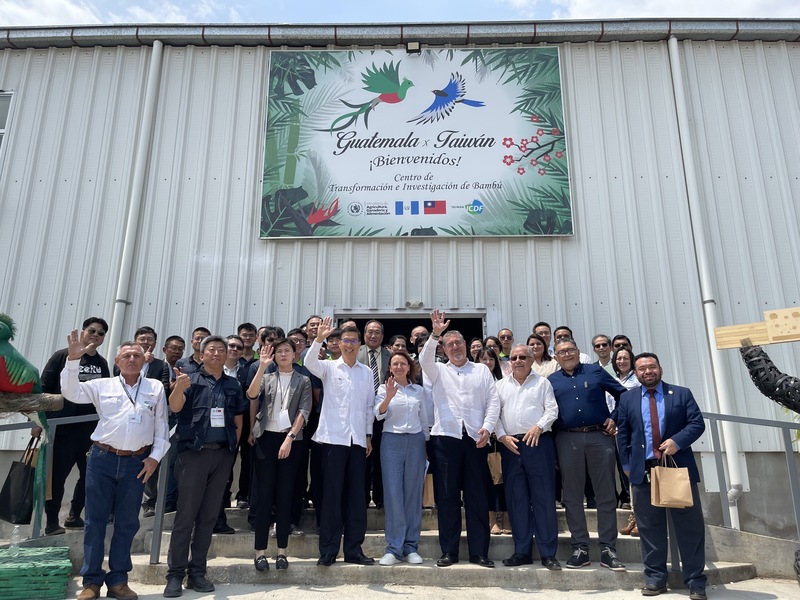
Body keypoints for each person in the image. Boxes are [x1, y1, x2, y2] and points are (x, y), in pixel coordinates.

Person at [61, 333, 169, 600]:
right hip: (102, 459)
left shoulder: (154, 387)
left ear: (144, 361)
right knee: (95, 522)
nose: (132, 359)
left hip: (137, 463)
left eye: (137, 356)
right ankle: (92, 582)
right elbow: (71, 392)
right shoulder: (102, 385)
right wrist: (73, 360)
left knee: (127, 523)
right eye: (127, 356)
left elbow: (162, 426)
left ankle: (119, 580)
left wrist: (155, 457)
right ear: (118, 361)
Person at [616, 353, 707, 599]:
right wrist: (626, 465)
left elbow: (697, 423)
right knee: (649, 528)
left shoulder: (681, 393)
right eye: (642, 368)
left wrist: (678, 441)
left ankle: (696, 581)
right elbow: (622, 434)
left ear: (660, 369)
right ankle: (655, 579)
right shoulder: (627, 399)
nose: (648, 371)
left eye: (652, 367)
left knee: (690, 528)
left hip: (676, 468)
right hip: (643, 472)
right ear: (636, 373)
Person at [164, 336, 249, 597]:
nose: (217, 354)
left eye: (221, 351)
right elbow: (175, 407)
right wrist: (178, 388)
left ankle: (197, 572)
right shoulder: (189, 378)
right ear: (201, 355)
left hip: (221, 455)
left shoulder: (233, 384)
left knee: (209, 517)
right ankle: (175, 574)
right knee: (186, 516)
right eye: (211, 350)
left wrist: (232, 452)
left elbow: (237, 420)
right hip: (193, 455)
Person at [421, 309, 500, 568]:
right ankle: (449, 551)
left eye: (458, 343)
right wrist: (435, 334)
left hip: (476, 439)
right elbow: (424, 359)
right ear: (444, 349)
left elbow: (493, 401)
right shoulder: (437, 371)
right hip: (445, 438)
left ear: (466, 346)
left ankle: (479, 552)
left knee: (477, 497)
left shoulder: (481, 371)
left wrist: (488, 428)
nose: (455, 347)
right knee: (447, 497)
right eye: (450, 344)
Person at [548, 338, 627, 571]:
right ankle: (580, 548)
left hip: (599, 437)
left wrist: (615, 418)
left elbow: (624, 396)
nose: (567, 354)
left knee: (605, 494)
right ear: (556, 357)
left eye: (570, 350)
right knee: (572, 495)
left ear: (578, 352)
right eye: (561, 352)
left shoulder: (595, 372)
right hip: (566, 438)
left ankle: (608, 548)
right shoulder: (550, 381)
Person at [304, 318, 375, 566]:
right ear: (339, 343)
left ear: (360, 343)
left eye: (354, 341)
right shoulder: (329, 367)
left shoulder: (366, 373)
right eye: (345, 340)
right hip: (332, 439)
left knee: (357, 497)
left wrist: (367, 435)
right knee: (332, 496)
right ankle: (328, 550)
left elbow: (369, 407)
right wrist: (319, 338)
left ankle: (354, 549)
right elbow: (308, 362)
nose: (349, 345)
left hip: (357, 442)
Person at [38, 317, 110, 535]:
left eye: (100, 333)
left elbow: (105, 395)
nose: (95, 335)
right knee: (57, 477)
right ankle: (51, 522)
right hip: (62, 429)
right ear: (83, 331)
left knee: (91, 475)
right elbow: (43, 388)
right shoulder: (62, 356)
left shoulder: (102, 363)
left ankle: (74, 515)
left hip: (90, 430)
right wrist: (40, 421)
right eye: (92, 330)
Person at [247, 338, 311, 571]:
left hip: (291, 440)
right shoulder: (266, 377)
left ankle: (282, 552)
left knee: (285, 496)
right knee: (264, 496)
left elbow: (304, 411)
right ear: (273, 355)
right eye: (279, 351)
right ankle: (260, 552)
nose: (283, 354)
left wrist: (290, 438)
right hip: (266, 439)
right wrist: (262, 365)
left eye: (287, 351)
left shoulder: (303, 379)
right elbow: (252, 395)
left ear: (295, 355)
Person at [495, 344, 561, 570]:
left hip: (538, 443)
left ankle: (548, 553)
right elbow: (494, 415)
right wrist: (502, 436)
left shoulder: (543, 383)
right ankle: (521, 551)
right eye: (514, 357)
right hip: (511, 446)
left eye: (523, 357)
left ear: (532, 360)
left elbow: (552, 410)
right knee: (517, 499)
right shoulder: (500, 386)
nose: (518, 360)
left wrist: (539, 427)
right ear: (509, 361)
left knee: (543, 498)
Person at [374, 349, 428, 566]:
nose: (398, 367)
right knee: (394, 493)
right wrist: (388, 396)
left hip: (415, 441)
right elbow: (378, 414)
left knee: (413, 494)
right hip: (392, 441)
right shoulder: (382, 388)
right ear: (390, 368)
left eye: (402, 364)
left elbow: (423, 420)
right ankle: (394, 548)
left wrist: (425, 445)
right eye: (394, 364)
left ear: (409, 367)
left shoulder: (418, 391)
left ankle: (410, 546)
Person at [357, 319, 391, 509]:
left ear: (382, 335)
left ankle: (380, 498)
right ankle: (361, 498)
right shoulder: (356, 353)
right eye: (370, 332)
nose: (373, 335)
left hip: (383, 414)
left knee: (381, 457)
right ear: (364, 334)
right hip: (361, 412)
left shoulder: (390, 355)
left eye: (377, 332)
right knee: (362, 458)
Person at [477, 347, 509, 535]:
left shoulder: (503, 382)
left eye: (491, 359)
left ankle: (506, 517)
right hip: (483, 438)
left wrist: (499, 430)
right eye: (483, 359)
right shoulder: (475, 382)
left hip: (502, 437)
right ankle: (490, 519)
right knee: (486, 479)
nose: (487, 363)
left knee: (503, 479)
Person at [612, 346, 638, 516]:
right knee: (623, 464)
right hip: (616, 428)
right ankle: (627, 498)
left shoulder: (636, 380)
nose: (622, 361)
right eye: (619, 358)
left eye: (625, 358)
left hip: (633, 427)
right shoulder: (613, 380)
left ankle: (635, 501)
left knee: (633, 462)